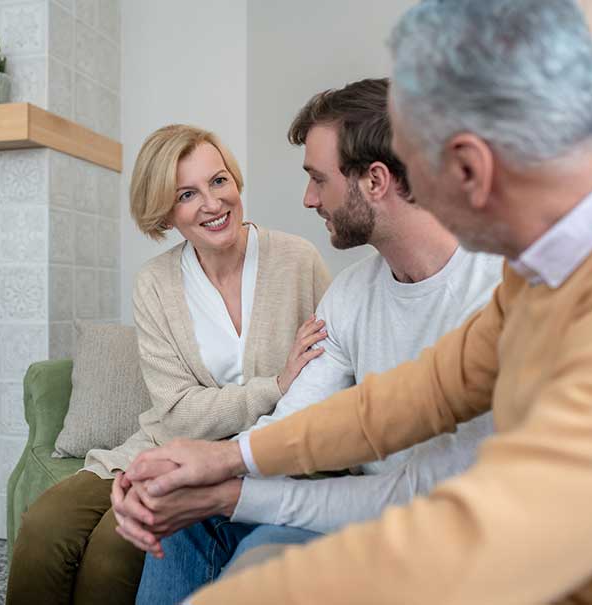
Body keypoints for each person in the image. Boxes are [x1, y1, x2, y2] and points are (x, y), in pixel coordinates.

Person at [123, 1, 592, 603]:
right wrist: (224, 462)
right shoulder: (545, 270)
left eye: (418, 166)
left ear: (469, 167)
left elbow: (476, 525)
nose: (414, 192)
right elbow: (410, 399)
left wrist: (231, 516)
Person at [119, 79, 502, 605]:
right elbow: (291, 426)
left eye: (318, 180)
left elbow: (431, 492)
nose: (307, 199)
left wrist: (227, 487)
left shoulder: (499, 290)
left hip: (463, 533)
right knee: (190, 520)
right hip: (360, 516)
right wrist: (182, 475)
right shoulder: (350, 295)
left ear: (375, 180)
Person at [5, 124, 331, 605]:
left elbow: (332, 368)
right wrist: (277, 383)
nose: (213, 204)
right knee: (44, 529)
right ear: (165, 211)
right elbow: (178, 413)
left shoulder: (297, 261)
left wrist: (288, 395)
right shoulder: (155, 283)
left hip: (254, 455)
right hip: (165, 444)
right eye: (187, 194)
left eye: (219, 181)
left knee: (114, 551)